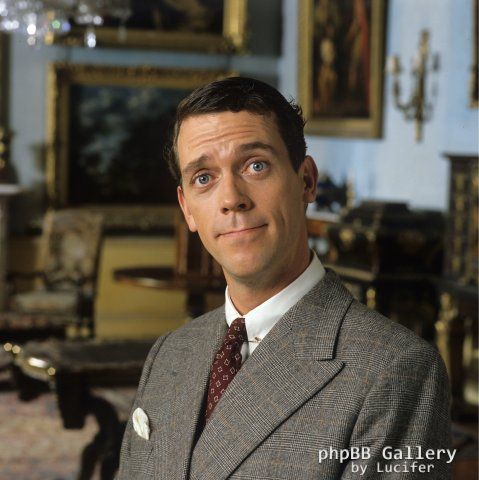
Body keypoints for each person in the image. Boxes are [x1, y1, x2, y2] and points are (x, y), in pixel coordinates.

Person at [117, 77, 452, 479]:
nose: (231, 199)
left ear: (306, 180)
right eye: (204, 177)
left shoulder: (396, 369)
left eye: (255, 165)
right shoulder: (169, 353)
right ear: (187, 208)